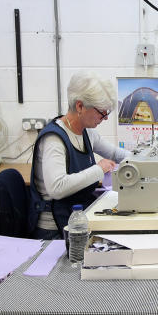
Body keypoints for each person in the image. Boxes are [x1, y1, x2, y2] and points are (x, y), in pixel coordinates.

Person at [30, 71, 130, 239]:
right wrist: (99, 169)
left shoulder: (86, 133)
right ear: (80, 106)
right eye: (101, 112)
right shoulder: (54, 139)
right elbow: (57, 188)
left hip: (77, 216)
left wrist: (144, 158)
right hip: (55, 228)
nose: (104, 118)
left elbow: (115, 153)